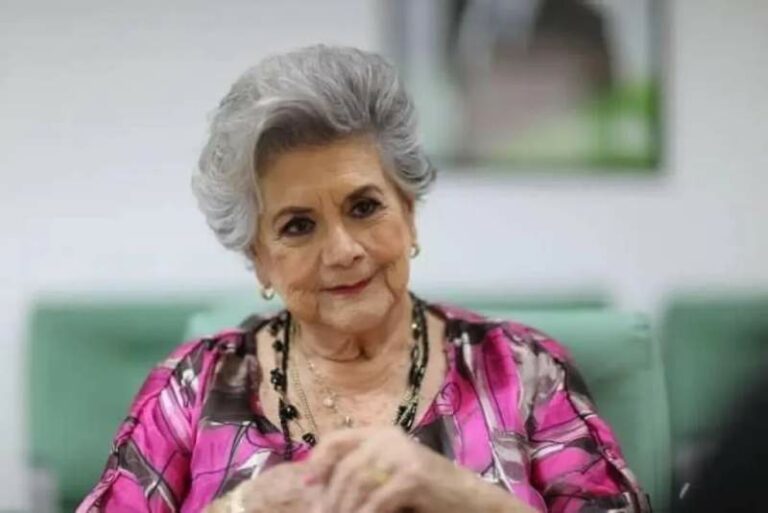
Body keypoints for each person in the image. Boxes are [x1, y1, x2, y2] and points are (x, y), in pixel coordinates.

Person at [77, 45, 650, 513]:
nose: (343, 251)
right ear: (261, 259)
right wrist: (240, 508)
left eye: (364, 207)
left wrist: (460, 496)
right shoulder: (191, 389)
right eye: (298, 225)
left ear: (409, 215)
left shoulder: (521, 371)